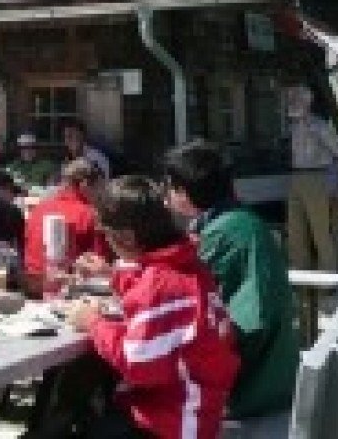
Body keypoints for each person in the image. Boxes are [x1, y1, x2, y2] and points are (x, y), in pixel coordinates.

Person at [62, 176, 239, 439]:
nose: (106, 241)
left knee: (75, 420)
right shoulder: (186, 267)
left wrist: (93, 323)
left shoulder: (159, 284)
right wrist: (113, 275)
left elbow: (138, 364)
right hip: (197, 410)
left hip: (175, 424)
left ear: (127, 237)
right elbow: (151, 291)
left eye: (106, 233)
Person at [162, 140, 300, 419]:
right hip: (273, 367)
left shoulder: (221, 233)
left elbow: (178, 296)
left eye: (171, 187)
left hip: (251, 383)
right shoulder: (240, 220)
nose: (167, 193)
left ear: (186, 193)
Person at [284, 84, 338, 271]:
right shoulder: (293, 127)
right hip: (296, 176)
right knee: (295, 233)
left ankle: (328, 278)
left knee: (320, 232)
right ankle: (300, 276)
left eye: (295, 99)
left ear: (306, 102)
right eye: (291, 99)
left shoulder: (320, 125)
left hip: (316, 176)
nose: (291, 102)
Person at [24, 158, 110, 291]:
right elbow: (99, 265)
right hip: (65, 290)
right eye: (100, 187)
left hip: (31, 286)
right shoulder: (90, 215)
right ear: (85, 185)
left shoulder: (39, 208)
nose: (102, 193)